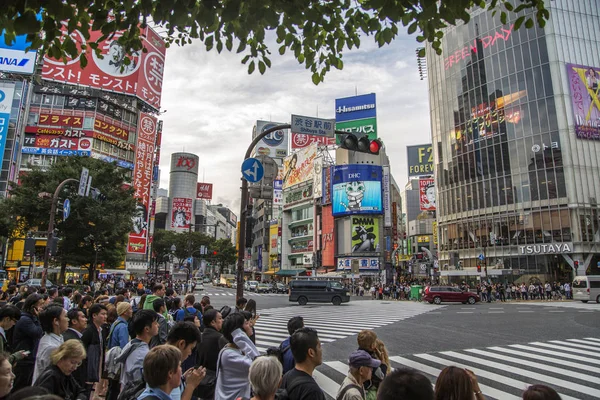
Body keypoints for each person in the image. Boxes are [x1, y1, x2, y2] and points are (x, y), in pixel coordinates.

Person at [214, 313, 260, 400]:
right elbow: (259, 364)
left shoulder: (236, 349)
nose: (250, 324)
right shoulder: (230, 355)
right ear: (238, 332)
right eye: (246, 323)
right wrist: (241, 337)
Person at [115, 309, 159, 393]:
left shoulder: (132, 344)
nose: (158, 325)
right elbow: (139, 385)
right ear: (147, 329)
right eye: (155, 323)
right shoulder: (142, 355)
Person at [281, 327, 325, 400]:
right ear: (311, 352)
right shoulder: (312, 392)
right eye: (319, 346)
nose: (321, 350)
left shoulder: (286, 376)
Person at [12, 293, 44, 391]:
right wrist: (40, 318)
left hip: (30, 357)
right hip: (24, 358)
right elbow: (37, 333)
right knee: (20, 387)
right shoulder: (25, 319)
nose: (42, 308)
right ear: (33, 306)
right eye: (40, 305)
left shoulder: (31, 318)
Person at [166, 322, 204, 400]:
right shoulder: (168, 369)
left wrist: (182, 378)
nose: (190, 353)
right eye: (191, 348)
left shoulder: (162, 359)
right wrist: (191, 385)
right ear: (182, 343)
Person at [33, 305, 68, 384]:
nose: (68, 319)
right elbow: (51, 376)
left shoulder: (58, 337)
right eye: (65, 316)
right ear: (56, 321)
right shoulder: (51, 346)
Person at [105, 302, 133, 400]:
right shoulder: (123, 326)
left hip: (112, 356)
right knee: (115, 387)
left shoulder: (116, 323)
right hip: (118, 358)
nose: (131, 311)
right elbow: (124, 345)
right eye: (129, 309)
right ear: (124, 312)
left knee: (112, 386)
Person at [81, 303, 108, 398]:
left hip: (97, 365)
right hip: (88, 368)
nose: (105, 316)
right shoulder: (88, 331)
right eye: (103, 314)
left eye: (106, 314)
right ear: (94, 315)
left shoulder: (101, 330)